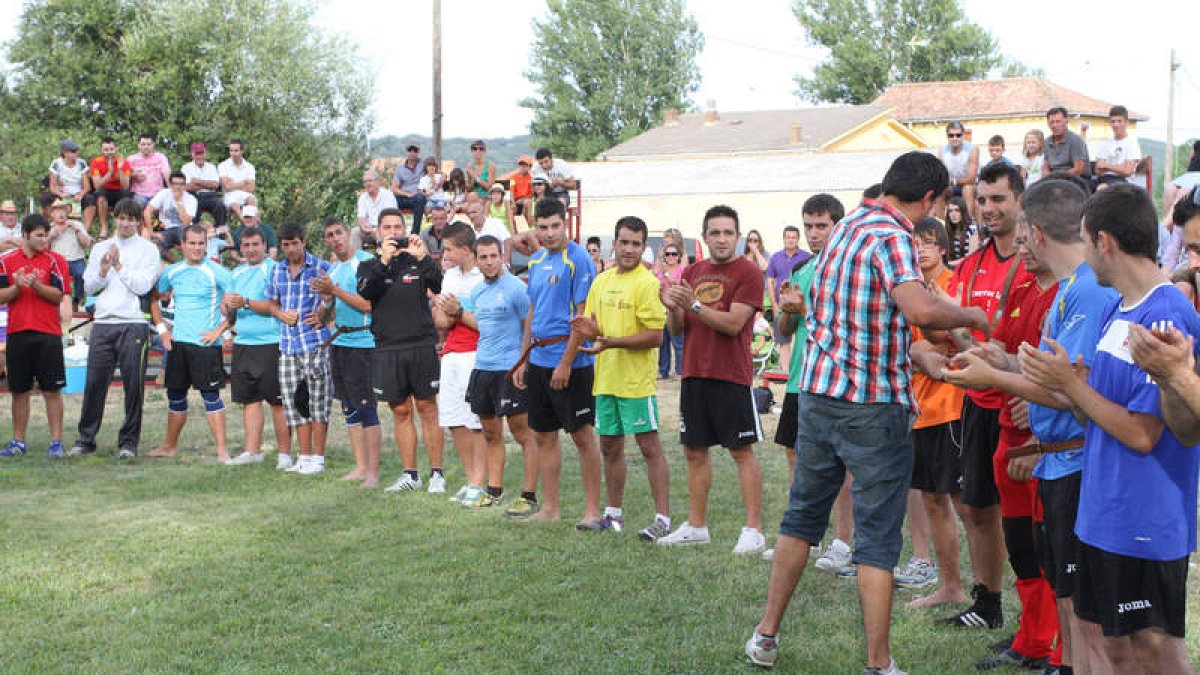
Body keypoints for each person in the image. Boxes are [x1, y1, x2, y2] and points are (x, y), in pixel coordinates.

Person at [744, 151, 989, 672]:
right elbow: (919, 310)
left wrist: (916, 350)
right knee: (878, 538)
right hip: (873, 407)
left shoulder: (849, 224)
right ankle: (879, 662)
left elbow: (858, 318)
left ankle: (765, 635)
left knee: (800, 519)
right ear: (927, 199)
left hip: (818, 394)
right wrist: (975, 315)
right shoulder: (893, 237)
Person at [1021, 184, 1200, 675]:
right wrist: (1067, 379)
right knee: (1115, 648)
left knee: (1155, 649)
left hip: (1147, 515)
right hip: (1102, 510)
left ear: (1103, 241)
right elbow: (1094, 410)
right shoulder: (1113, 308)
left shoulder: (1166, 314)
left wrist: (1070, 387)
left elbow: (1145, 434)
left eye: (1083, 240)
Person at [938, 177, 1106, 674]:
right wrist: (1003, 362)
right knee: (1045, 561)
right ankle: (1047, 650)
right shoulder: (1065, 287)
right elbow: (1047, 371)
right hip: (1051, 455)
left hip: (1065, 455)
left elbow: (1071, 388)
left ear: (1033, 229)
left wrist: (999, 376)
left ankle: (1059, 656)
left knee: (1076, 588)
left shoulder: (1086, 292)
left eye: (998, 201)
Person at [936, 202, 1062, 672]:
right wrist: (986, 353)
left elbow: (1070, 373)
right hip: (1008, 431)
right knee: (1021, 540)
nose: (1022, 246)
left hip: (1040, 438)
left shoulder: (1070, 294)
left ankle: (1056, 645)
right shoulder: (1026, 286)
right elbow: (1010, 351)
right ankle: (1031, 639)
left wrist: (1042, 401)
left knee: (1047, 541)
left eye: (1030, 237)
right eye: (1022, 237)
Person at [938, 161, 1035, 631]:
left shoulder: (1031, 263)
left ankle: (1038, 618)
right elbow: (954, 322)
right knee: (976, 506)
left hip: (1023, 404)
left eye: (999, 199)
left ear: (1019, 199)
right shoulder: (971, 264)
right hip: (978, 402)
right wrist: (972, 340)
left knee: (1026, 516)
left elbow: (1017, 337)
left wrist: (979, 339)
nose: (989, 208)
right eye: (982, 199)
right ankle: (988, 602)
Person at [656, 204, 765, 553]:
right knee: (694, 451)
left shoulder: (748, 273)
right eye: (715, 233)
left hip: (730, 374)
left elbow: (734, 325)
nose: (721, 239)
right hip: (694, 372)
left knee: (741, 451)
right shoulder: (695, 270)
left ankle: (753, 530)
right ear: (704, 237)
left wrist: (695, 306)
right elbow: (677, 329)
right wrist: (672, 305)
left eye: (728, 233)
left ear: (738, 236)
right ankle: (696, 526)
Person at [569, 216, 671, 537]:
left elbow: (655, 336)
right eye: (624, 242)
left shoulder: (648, 283)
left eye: (636, 243)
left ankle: (663, 520)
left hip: (636, 383)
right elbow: (597, 327)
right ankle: (613, 516)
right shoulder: (601, 281)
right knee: (610, 446)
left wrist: (609, 341)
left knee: (649, 447)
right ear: (614, 243)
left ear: (644, 247)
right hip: (606, 379)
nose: (629, 249)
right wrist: (590, 329)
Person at [511, 197, 602, 525]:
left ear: (565, 224)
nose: (548, 233)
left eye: (554, 226)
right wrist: (523, 359)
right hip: (538, 360)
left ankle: (592, 511)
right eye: (543, 227)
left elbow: (582, 317)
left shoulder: (579, 260)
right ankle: (550, 508)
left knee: (581, 436)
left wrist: (566, 362)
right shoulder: (535, 261)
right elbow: (532, 313)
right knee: (543, 435)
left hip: (571, 363)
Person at [768, 194, 844, 562]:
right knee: (796, 459)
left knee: (840, 465)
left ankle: (843, 542)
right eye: (808, 226)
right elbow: (786, 327)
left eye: (821, 226)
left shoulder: (846, 269)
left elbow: (841, 325)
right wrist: (787, 310)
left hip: (834, 382)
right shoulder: (801, 270)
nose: (814, 234)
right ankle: (802, 537)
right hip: (800, 380)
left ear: (837, 226)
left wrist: (805, 309)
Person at [894, 218, 965, 601]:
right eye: (914, 244)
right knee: (931, 498)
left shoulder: (955, 284)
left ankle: (986, 584)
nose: (920, 250)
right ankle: (950, 585)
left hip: (952, 406)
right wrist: (921, 353)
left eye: (927, 242)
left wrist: (927, 351)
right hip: (919, 404)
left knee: (965, 502)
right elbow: (907, 347)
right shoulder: (908, 291)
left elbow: (962, 342)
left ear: (941, 247)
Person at [357, 208, 445, 493]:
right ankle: (411, 474)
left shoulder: (418, 261)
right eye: (387, 227)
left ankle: (437, 475)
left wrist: (424, 257)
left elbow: (438, 283)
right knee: (401, 411)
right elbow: (365, 291)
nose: (393, 232)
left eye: (398, 227)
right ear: (378, 232)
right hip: (387, 347)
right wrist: (384, 259)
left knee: (427, 408)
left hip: (420, 344)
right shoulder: (370, 265)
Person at [70, 198, 161, 458]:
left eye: (131, 219)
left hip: (133, 324)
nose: (125, 223)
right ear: (114, 219)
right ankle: (86, 439)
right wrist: (102, 270)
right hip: (103, 323)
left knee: (134, 386)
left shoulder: (148, 250)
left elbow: (143, 286)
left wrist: (119, 267)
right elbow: (87, 287)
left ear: (138, 221)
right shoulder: (101, 248)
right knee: (95, 383)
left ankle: (128, 443)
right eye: (121, 218)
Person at [463, 234, 541, 516]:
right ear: (476, 259)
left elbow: (528, 327)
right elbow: (483, 327)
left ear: (502, 256)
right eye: (483, 257)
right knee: (490, 432)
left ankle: (529, 495)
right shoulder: (476, 292)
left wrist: (523, 363)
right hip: (483, 368)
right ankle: (493, 491)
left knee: (523, 434)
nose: (489, 262)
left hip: (510, 370)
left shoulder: (516, 289)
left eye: (493, 256)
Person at [147, 225, 232, 462]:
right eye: (192, 243)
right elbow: (154, 298)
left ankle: (222, 451)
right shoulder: (173, 271)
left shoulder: (218, 272)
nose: (196, 248)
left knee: (210, 396)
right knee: (175, 395)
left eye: (201, 243)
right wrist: (163, 330)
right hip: (178, 344)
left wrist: (220, 329)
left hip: (205, 345)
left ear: (206, 244)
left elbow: (239, 303)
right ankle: (169, 446)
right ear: (182, 245)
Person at [313, 217, 380, 487]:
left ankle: (373, 473)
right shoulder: (333, 269)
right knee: (349, 407)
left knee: (366, 408)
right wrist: (327, 300)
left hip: (362, 343)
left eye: (339, 233)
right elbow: (321, 315)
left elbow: (368, 306)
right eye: (329, 235)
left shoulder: (366, 263)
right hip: (339, 342)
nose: (335, 239)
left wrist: (335, 291)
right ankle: (360, 466)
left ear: (348, 234)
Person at [0, 213, 72, 458]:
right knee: (19, 391)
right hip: (17, 333)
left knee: (52, 390)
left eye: (46, 234)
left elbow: (58, 295)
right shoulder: (6, 261)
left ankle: (56, 442)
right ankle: (18, 441)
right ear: (25, 235)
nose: (44, 239)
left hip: (48, 333)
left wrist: (35, 285)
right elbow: (1, 296)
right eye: (39, 235)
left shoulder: (56, 260)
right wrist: (18, 286)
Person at [264, 222, 333, 475]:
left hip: (314, 343)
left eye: (295, 243)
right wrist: (281, 314)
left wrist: (323, 315)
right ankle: (303, 456)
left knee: (318, 401)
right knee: (295, 403)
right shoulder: (277, 270)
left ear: (304, 241)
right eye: (285, 245)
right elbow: (272, 303)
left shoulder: (321, 267)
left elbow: (332, 300)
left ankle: (319, 457)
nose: (291, 249)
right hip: (288, 345)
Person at [222, 228, 292, 469]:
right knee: (249, 400)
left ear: (265, 245)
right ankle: (253, 450)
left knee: (277, 401)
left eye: (255, 244)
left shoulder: (275, 269)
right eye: (246, 245)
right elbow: (230, 309)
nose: (251, 250)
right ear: (240, 248)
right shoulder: (236, 272)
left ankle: (285, 454)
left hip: (271, 341)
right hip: (243, 342)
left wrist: (247, 303)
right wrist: (227, 308)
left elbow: (278, 305)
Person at [430, 222, 489, 506]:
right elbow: (440, 321)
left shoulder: (484, 276)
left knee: (475, 421)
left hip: (476, 354)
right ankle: (470, 479)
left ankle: (480, 481)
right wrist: (450, 314)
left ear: (465, 250)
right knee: (454, 420)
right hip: (451, 353)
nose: (446, 254)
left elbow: (489, 325)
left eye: (450, 249)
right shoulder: (449, 277)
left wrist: (458, 312)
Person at [765, 226, 811, 375]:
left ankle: (802, 370)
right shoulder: (775, 257)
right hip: (781, 305)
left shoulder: (807, 257)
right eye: (788, 237)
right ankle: (786, 370)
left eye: (793, 237)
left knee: (802, 337)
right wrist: (774, 304)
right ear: (783, 239)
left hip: (802, 304)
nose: (790, 240)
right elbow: (770, 282)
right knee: (783, 339)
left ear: (798, 239)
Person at [47, 198, 91, 310]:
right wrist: (50, 236)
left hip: (76, 259)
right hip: (57, 260)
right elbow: (42, 248)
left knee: (81, 273)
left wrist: (77, 230)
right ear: (52, 214)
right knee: (54, 276)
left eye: (63, 210)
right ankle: (59, 301)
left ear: (67, 212)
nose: (61, 213)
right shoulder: (49, 227)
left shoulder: (76, 224)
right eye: (57, 210)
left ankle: (76, 299)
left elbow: (87, 244)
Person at [48, 139, 97, 233]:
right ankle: (51, 227)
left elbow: (87, 187)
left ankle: (85, 230)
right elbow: (52, 186)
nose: (76, 154)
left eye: (76, 151)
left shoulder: (81, 163)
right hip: (62, 192)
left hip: (78, 192)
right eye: (73, 151)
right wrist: (61, 194)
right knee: (46, 198)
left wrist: (81, 194)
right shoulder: (56, 164)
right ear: (65, 153)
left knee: (90, 199)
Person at [89, 137, 133, 238]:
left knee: (127, 194)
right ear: (102, 150)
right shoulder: (96, 162)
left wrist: (120, 169)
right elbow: (97, 185)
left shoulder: (123, 162)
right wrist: (109, 172)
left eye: (111, 149)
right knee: (100, 194)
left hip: (119, 190)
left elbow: (126, 185)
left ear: (116, 149)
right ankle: (104, 227)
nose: (109, 152)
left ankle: (119, 227)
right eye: (106, 150)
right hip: (104, 189)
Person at [144, 171, 197, 253]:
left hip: (183, 229)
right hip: (166, 229)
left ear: (185, 186)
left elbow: (186, 222)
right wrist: (151, 232)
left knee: (186, 232)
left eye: (181, 184)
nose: (178, 187)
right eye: (175, 184)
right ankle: (173, 262)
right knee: (155, 244)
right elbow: (147, 212)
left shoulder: (191, 199)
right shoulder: (163, 193)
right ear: (171, 185)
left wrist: (179, 201)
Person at [656, 241, 687, 379]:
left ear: (679, 256)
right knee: (663, 342)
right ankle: (663, 370)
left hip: (676, 308)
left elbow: (678, 284)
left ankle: (680, 371)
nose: (671, 257)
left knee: (678, 343)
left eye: (674, 254)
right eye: (668, 254)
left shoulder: (682, 269)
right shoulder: (659, 270)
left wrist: (666, 275)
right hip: (661, 308)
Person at [181, 142, 227, 229]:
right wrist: (208, 184)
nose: (199, 156)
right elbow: (187, 187)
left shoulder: (211, 167)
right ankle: (192, 233)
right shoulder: (186, 167)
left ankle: (221, 234)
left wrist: (197, 181)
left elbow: (216, 185)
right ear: (192, 154)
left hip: (210, 196)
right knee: (192, 209)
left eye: (201, 153)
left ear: (205, 153)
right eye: (197, 154)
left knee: (220, 205)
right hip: (193, 196)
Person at [940, 121, 980, 220]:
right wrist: (948, 183)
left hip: (971, 186)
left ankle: (968, 223)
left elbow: (971, 178)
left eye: (958, 135)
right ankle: (942, 223)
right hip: (951, 186)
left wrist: (953, 181)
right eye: (951, 135)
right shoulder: (942, 151)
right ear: (947, 136)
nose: (955, 138)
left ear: (963, 135)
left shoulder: (972, 149)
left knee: (968, 188)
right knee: (939, 190)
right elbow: (942, 177)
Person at [1093, 105, 1141, 186]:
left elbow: (1128, 171)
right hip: (1102, 179)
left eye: (1119, 121)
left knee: (1103, 188)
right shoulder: (1105, 144)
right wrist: (1120, 167)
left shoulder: (1132, 144)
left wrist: (1106, 165)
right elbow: (1098, 170)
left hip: (1122, 182)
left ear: (1126, 122)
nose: (1116, 125)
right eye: (1113, 121)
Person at [353, 169, 397, 251]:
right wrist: (364, 226)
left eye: (370, 181)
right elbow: (361, 218)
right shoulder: (363, 197)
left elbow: (392, 218)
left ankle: (383, 258)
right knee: (355, 232)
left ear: (378, 182)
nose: (367, 184)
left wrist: (378, 229)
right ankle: (357, 261)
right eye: (365, 182)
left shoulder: (388, 195)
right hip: (369, 230)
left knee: (383, 233)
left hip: (386, 229)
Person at [391, 143, 427, 234]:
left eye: (415, 150)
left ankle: (415, 233)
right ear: (407, 151)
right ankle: (395, 231)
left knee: (420, 199)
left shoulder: (423, 165)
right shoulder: (400, 168)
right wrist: (407, 194)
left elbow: (437, 172)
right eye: (410, 150)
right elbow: (394, 188)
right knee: (390, 200)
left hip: (417, 197)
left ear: (418, 152)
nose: (412, 152)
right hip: (404, 196)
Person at [464, 194, 511, 263]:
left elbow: (508, 240)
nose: (471, 216)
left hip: (498, 262)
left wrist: (506, 260)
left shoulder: (495, 223)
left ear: (482, 212)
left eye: (474, 212)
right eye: (469, 214)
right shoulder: (469, 230)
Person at [219, 138, 257, 222]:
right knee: (235, 206)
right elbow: (227, 187)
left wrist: (233, 184)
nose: (233, 154)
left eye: (236, 151)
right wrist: (243, 183)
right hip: (230, 196)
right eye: (231, 151)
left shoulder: (249, 166)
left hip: (245, 194)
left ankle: (257, 228)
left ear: (242, 151)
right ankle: (247, 225)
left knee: (252, 202)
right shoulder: (223, 165)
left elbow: (251, 188)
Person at [1042, 107, 1088, 177]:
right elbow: (1045, 168)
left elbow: (1079, 169)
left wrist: (1057, 178)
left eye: (1058, 121)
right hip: (1054, 179)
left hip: (1076, 179)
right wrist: (1049, 179)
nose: (1054, 125)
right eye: (1052, 122)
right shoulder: (1047, 142)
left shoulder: (1076, 140)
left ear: (1066, 121)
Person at [128, 133, 171, 207]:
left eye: (148, 144)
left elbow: (167, 174)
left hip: (158, 194)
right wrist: (133, 175)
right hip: (139, 194)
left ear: (153, 145)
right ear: (139, 145)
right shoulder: (131, 159)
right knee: (136, 209)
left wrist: (171, 190)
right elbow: (124, 176)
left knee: (163, 207)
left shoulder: (161, 157)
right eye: (143, 144)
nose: (146, 147)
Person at [944, 195, 977, 265]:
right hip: (953, 268)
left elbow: (972, 257)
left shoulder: (972, 229)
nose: (953, 214)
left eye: (957, 210)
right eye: (950, 211)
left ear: (963, 212)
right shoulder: (946, 231)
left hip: (969, 266)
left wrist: (949, 264)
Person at [510, 156, 535, 230]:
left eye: (525, 165)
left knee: (528, 204)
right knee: (510, 209)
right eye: (521, 165)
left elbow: (533, 193)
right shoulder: (513, 177)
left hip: (527, 200)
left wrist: (525, 199)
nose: (522, 167)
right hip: (516, 200)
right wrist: (513, 202)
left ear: (529, 167)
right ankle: (513, 231)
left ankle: (531, 228)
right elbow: (511, 191)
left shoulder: (532, 178)